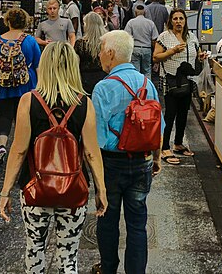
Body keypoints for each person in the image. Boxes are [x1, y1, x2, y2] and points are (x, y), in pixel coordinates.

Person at [0, 42, 107, 274]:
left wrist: (5, 191)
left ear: (45, 66)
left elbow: (18, 150)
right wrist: (101, 190)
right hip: (74, 189)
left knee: (34, 249)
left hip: (34, 188)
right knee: (68, 253)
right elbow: (90, 152)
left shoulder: (29, 100)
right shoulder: (83, 103)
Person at [91, 31, 162, 274]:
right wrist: (157, 158)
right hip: (142, 161)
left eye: (101, 49)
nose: (99, 54)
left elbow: (97, 138)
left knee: (107, 220)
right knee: (137, 223)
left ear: (110, 53)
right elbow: (157, 126)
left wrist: (94, 172)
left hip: (111, 164)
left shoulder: (103, 88)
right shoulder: (146, 83)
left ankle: (108, 268)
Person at [0, 8, 42, 165]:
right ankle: (22, 149)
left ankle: (2, 146)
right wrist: (41, 84)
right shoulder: (30, 41)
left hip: (2, 85)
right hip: (25, 84)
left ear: (7, 22)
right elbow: (37, 65)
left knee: (4, 115)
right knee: (23, 118)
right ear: (25, 22)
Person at [153, 8, 207, 166]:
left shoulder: (191, 37)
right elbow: (156, 57)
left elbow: (197, 52)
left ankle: (178, 143)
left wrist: (200, 56)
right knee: (170, 114)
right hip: (170, 82)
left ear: (185, 21)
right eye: (175, 19)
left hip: (187, 80)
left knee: (183, 113)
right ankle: (164, 148)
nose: (178, 22)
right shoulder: (164, 37)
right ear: (170, 21)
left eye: (181, 19)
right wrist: (172, 51)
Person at [75, 12, 108, 94]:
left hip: (85, 80)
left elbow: (75, 64)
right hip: (104, 78)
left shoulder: (80, 44)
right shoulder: (107, 42)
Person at [124, 4, 158, 76]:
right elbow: (154, 39)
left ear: (135, 13)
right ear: (145, 12)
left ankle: (137, 86)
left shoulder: (131, 22)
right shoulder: (150, 23)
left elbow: (127, 37)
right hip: (147, 49)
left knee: (135, 71)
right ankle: (147, 86)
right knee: (147, 71)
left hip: (135, 48)